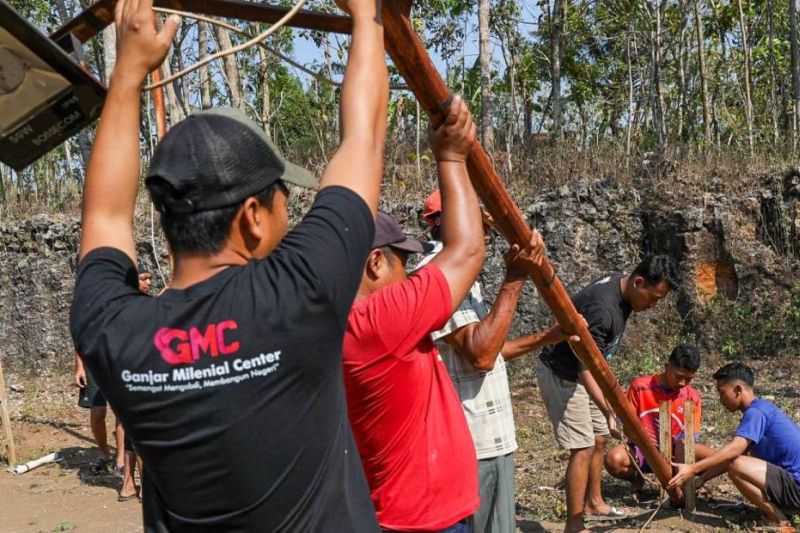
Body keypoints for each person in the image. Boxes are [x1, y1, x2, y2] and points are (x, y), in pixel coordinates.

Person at [69, 0, 388, 529]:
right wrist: (365, 17)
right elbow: (363, 139)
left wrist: (126, 75)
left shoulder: (113, 333)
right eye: (283, 195)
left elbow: (104, 217)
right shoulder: (301, 292)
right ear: (252, 217)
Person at [342, 97, 483, 532]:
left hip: (396, 513)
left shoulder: (323, 319)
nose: (411, 275)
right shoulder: (376, 324)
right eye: (403, 262)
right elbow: (466, 251)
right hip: (423, 521)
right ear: (374, 263)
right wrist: (452, 156)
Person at [417, 190, 581, 533]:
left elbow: (491, 350)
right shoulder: (438, 274)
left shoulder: (460, 273)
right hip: (471, 441)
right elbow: (481, 354)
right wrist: (516, 276)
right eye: (477, 220)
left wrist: (545, 338)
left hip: (486, 438)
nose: (487, 230)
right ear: (450, 222)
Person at [536, 255, 680, 533]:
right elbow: (584, 370)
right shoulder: (603, 310)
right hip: (563, 373)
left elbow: (592, 364)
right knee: (583, 447)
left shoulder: (620, 284)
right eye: (654, 298)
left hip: (585, 372)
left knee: (600, 438)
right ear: (638, 282)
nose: (652, 306)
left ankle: (594, 502)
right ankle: (574, 525)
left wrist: (608, 412)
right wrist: (610, 409)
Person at [669, 363, 800, 528]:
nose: (720, 399)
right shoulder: (762, 409)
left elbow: (734, 452)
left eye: (722, 392)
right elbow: (734, 455)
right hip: (792, 486)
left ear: (738, 390)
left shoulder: (756, 413)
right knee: (736, 462)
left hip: (796, 487)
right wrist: (701, 479)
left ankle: (778, 519)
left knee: (736, 465)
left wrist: (692, 468)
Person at [605, 343, 714, 499]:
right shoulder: (640, 387)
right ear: (666, 366)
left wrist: (679, 466)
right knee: (613, 459)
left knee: (718, 460)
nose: (683, 383)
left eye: (689, 379)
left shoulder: (691, 397)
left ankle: (688, 484)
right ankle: (638, 478)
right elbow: (626, 426)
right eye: (678, 376)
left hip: (678, 455)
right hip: (643, 452)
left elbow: (688, 440)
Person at [74, 352, 124, 474]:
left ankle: (121, 459)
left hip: (119, 363)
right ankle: (104, 454)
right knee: (97, 414)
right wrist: (79, 367)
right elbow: (80, 339)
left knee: (121, 413)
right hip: (93, 365)